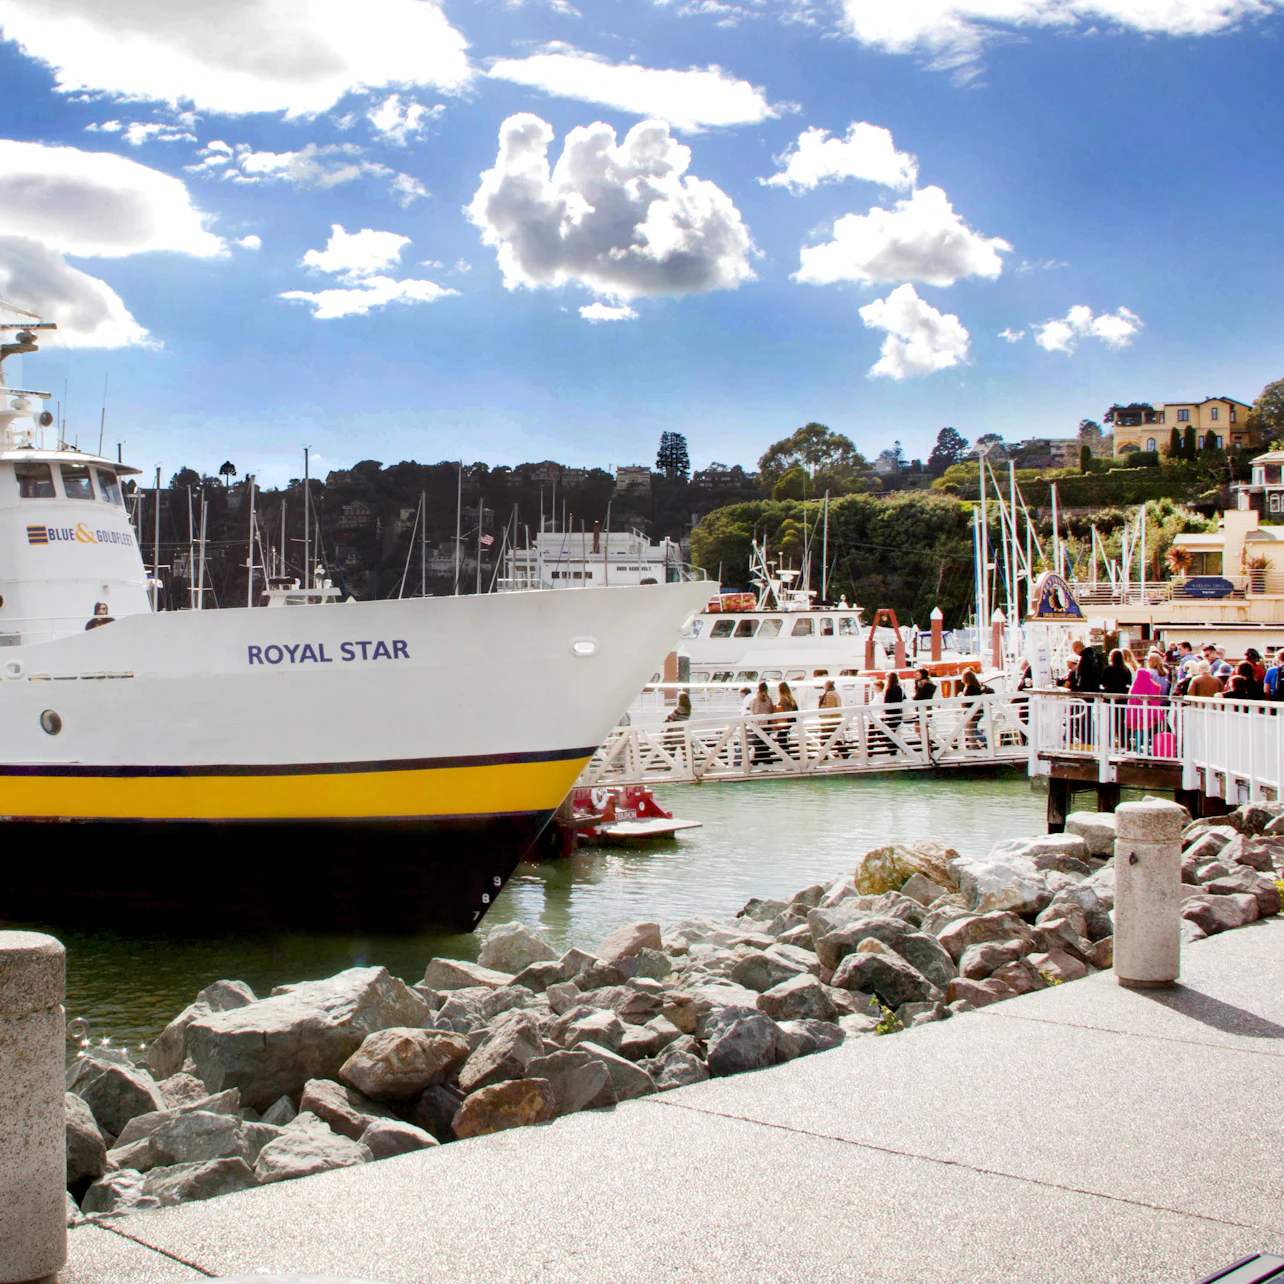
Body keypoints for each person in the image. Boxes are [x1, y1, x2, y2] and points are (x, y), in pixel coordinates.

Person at [749, 681, 775, 764]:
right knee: (765, 742)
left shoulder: (755, 699)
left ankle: (757, 759)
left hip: (758, 724)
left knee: (758, 742)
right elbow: (771, 710)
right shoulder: (769, 699)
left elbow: (754, 711)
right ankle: (766, 759)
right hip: (766, 723)